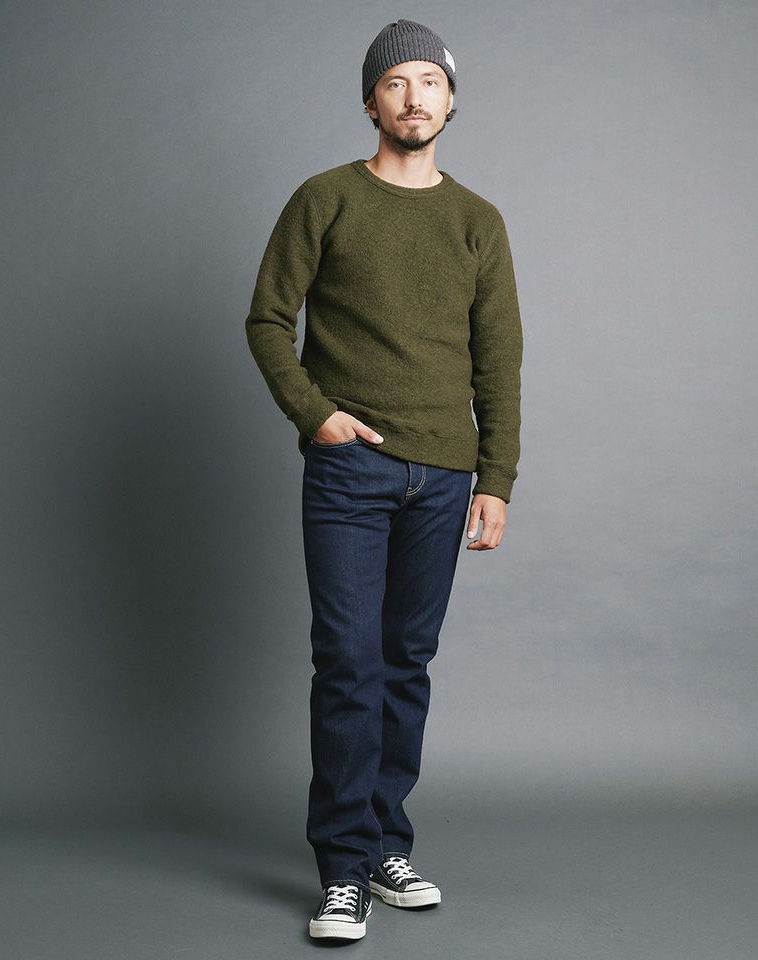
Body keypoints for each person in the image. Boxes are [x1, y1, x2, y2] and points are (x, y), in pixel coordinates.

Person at [244, 18, 523, 942]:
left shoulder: (478, 220)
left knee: (406, 662)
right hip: (348, 471)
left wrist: (496, 478)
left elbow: (498, 362)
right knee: (348, 663)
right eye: (396, 82)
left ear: (451, 100)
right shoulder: (325, 199)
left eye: (429, 82)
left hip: (444, 476)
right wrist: (315, 415)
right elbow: (267, 320)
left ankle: (383, 843)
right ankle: (341, 871)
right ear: (371, 102)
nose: (414, 97)